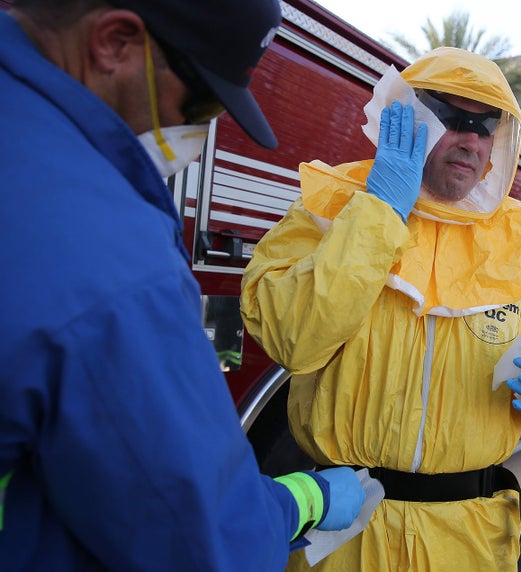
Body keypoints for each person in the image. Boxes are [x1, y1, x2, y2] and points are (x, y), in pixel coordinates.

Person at [0, 1, 366, 570]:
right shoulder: (113, 259)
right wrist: (303, 500)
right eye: (203, 103)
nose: (200, 131)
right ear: (114, 42)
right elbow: (198, 537)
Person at [240, 46, 521, 571]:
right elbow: (292, 335)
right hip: (348, 535)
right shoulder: (330, 207)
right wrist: (380, 211)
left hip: (470, 541)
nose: (471, 139)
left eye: (485, 126)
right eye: (453, 119)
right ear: (410, 118)